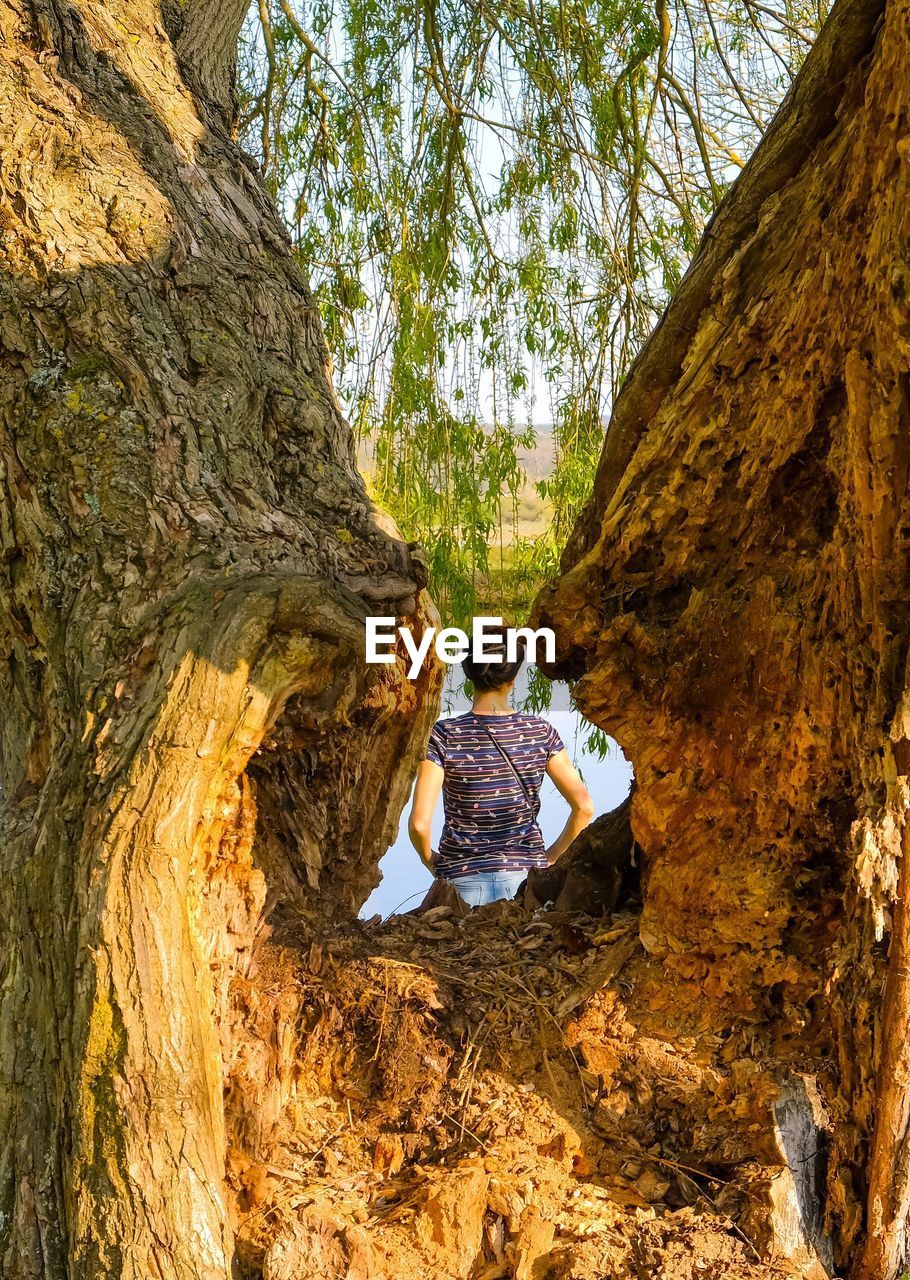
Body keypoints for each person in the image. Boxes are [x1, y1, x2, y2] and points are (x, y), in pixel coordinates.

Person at [408, 629, 595, 906]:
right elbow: (584, 808)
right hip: (526, 884)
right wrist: (550, 858)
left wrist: (430, 860)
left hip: (462, 880)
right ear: (514, 677)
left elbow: (420, 824)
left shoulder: (444, 735)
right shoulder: (540, 732)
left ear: (469, 672)